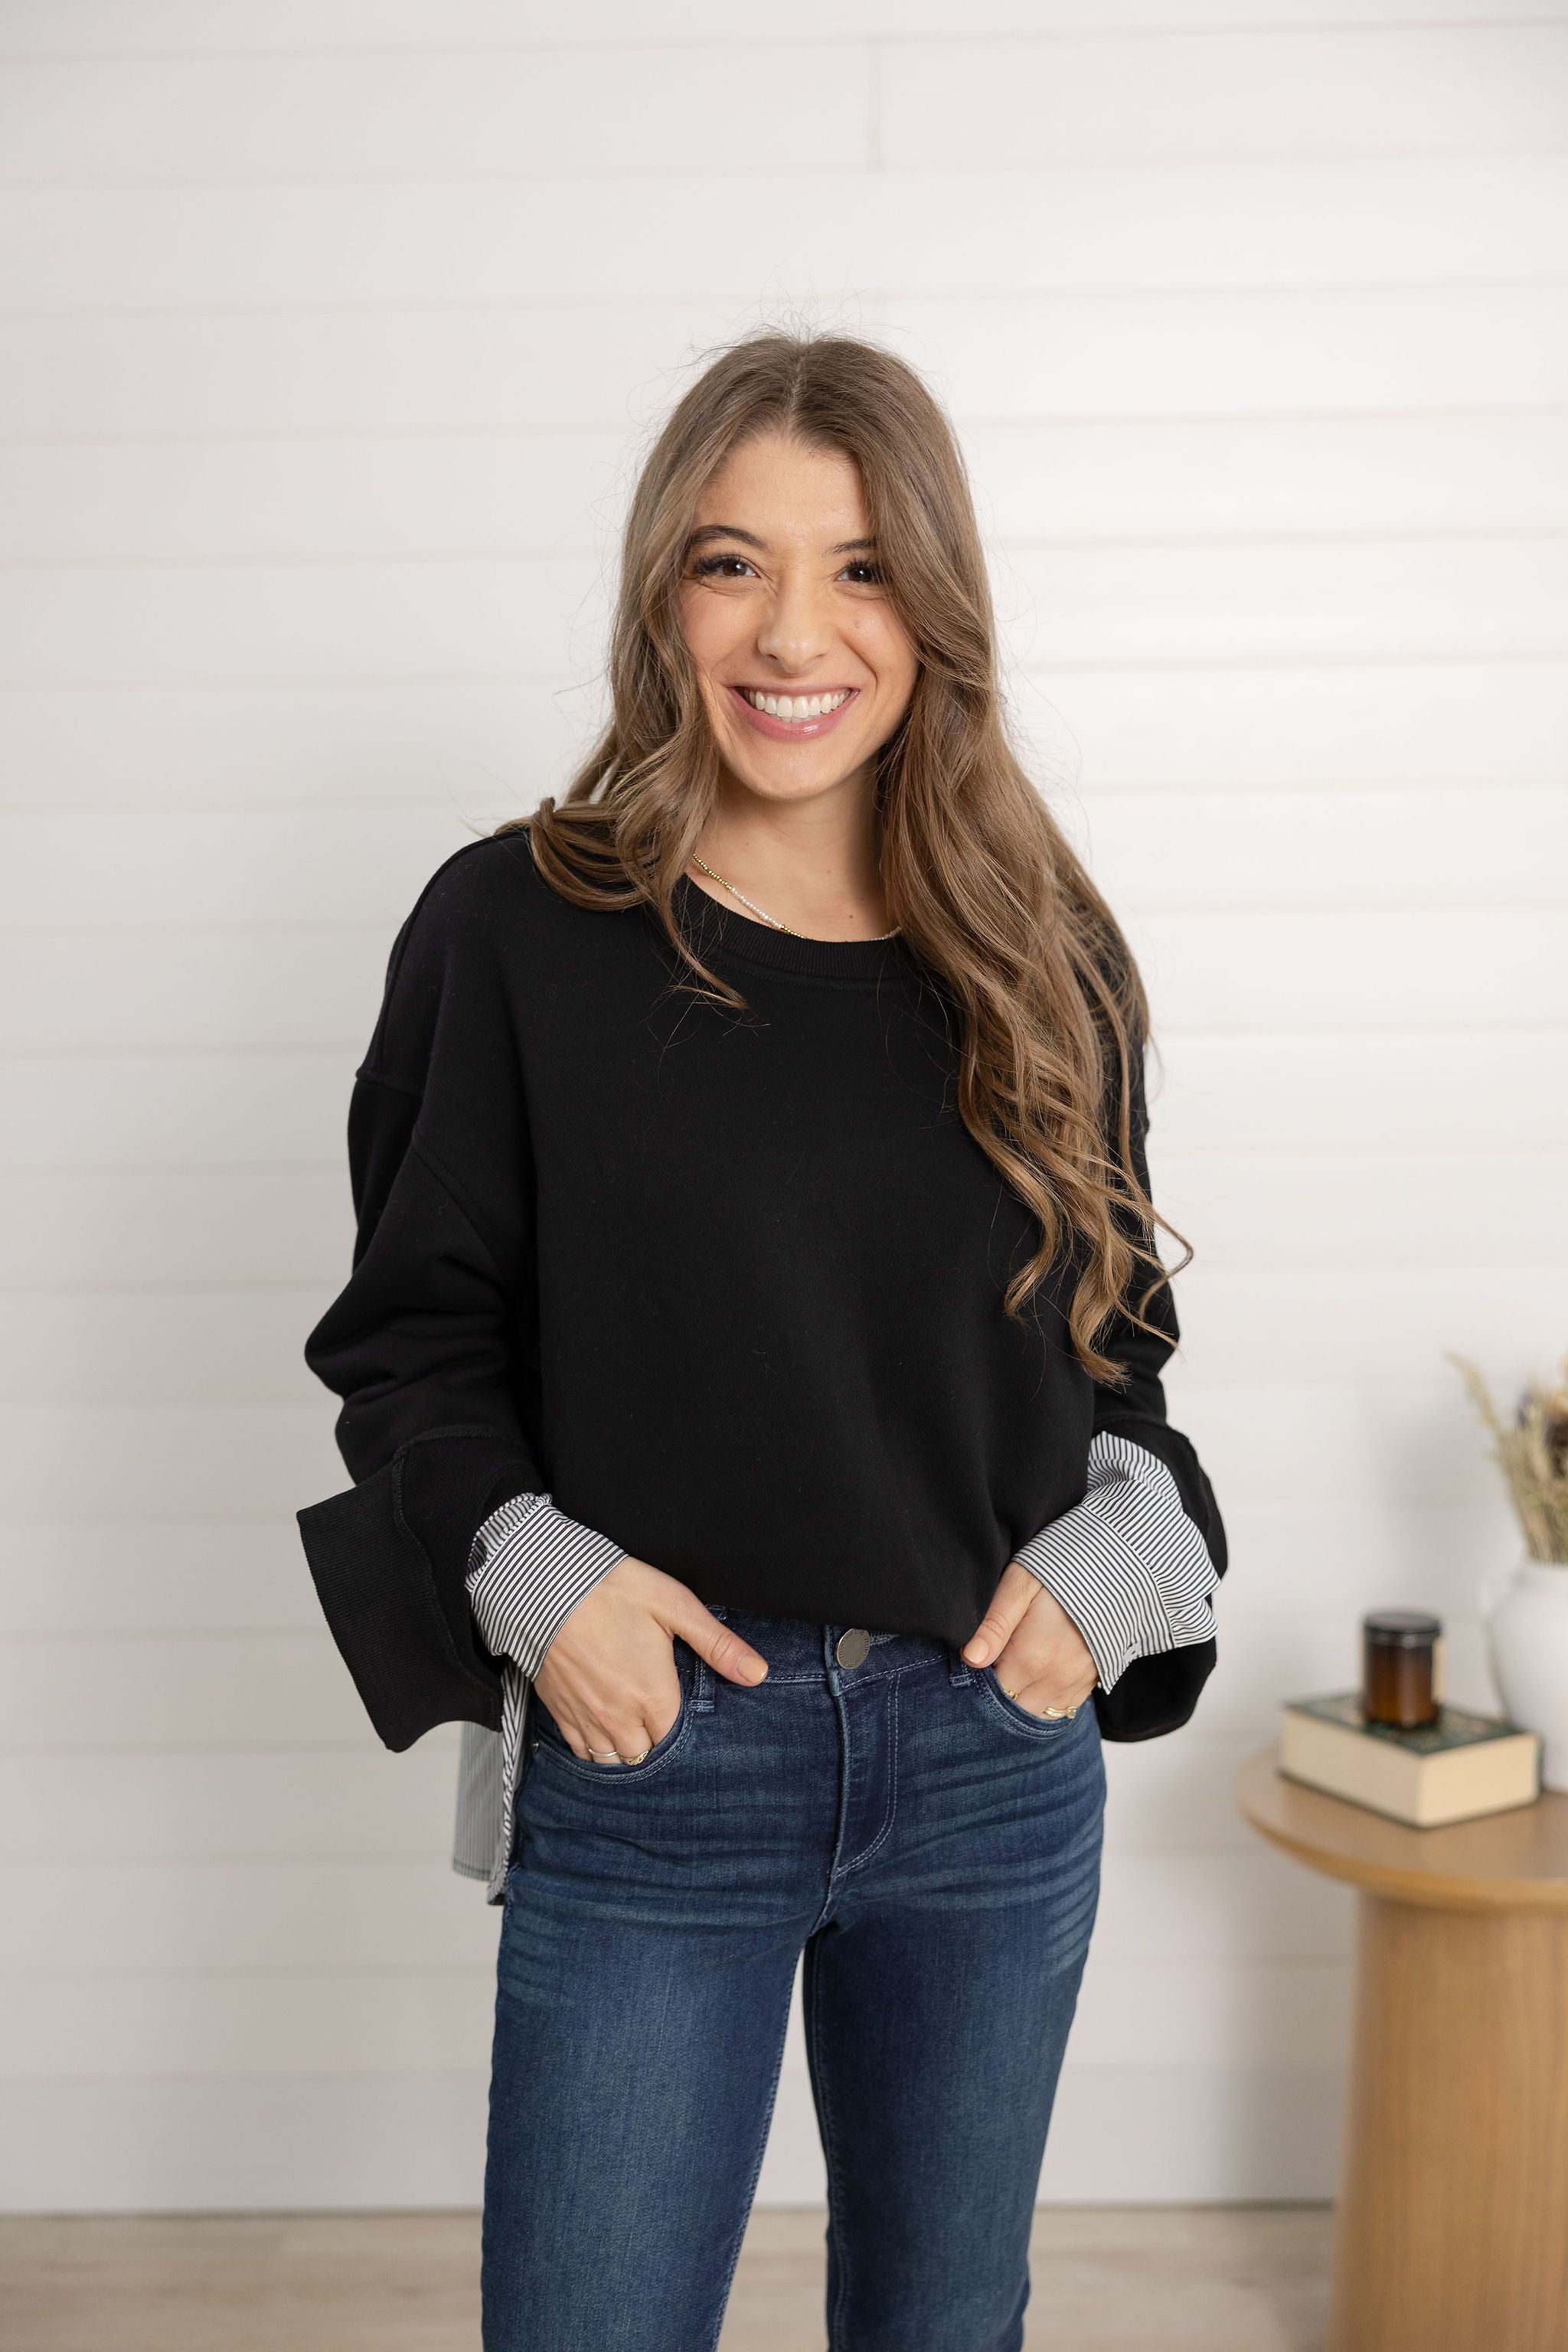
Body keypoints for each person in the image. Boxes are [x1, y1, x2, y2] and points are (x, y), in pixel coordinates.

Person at [298, 332, 1227, 2352]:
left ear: (936, 607)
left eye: (862, 567)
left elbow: (1120, 1365)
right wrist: (539, 1577)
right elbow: (411, 1345)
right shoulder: (514, 930)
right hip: (658, 1759)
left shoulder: (1048, 954)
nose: (795, 632)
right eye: (734, 563)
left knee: (944, 2324)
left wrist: (1128, 1561)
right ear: (665, 596)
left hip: (990, 1760)